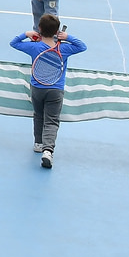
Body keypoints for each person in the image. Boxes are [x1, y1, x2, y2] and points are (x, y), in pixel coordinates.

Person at [11, 14, 86, 168]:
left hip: (37, 89)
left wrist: (26, 34)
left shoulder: (34, 46)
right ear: (57, 31)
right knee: (51, 120)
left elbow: (14, 43)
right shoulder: (64, 48)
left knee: (38, 116)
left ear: (39, 29)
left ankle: (38, 143)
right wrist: (68, 37)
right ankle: (48, 150)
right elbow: (82, 46)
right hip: (56, 91)